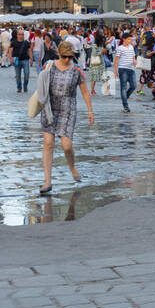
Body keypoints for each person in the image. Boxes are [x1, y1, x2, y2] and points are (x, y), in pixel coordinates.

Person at [32, 40, 94, 194]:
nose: (67, 60)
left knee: (66, 145)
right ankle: (47, 181)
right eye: (65, 56)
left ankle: (72, 167)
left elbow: (85, 92)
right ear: (59, 54)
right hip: (50, 108)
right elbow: (41, 83)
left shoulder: (77, 70)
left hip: (68, 110)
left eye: (70, 57)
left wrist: (90, 111)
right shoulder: (49, 66)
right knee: (48, 143)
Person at [114, 32, 138, 112]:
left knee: (134, 85)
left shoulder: (131, 47)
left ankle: (124, 98)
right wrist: (115, 71)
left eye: (130, 39)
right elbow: (116, 60)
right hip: (123, 69)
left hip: (131, 69)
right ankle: (126, 106)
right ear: (124, 39)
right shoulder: (120, 48)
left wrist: (135, 61)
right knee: (123, 87)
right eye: (128, 39)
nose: (130, 41)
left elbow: (133, 57)